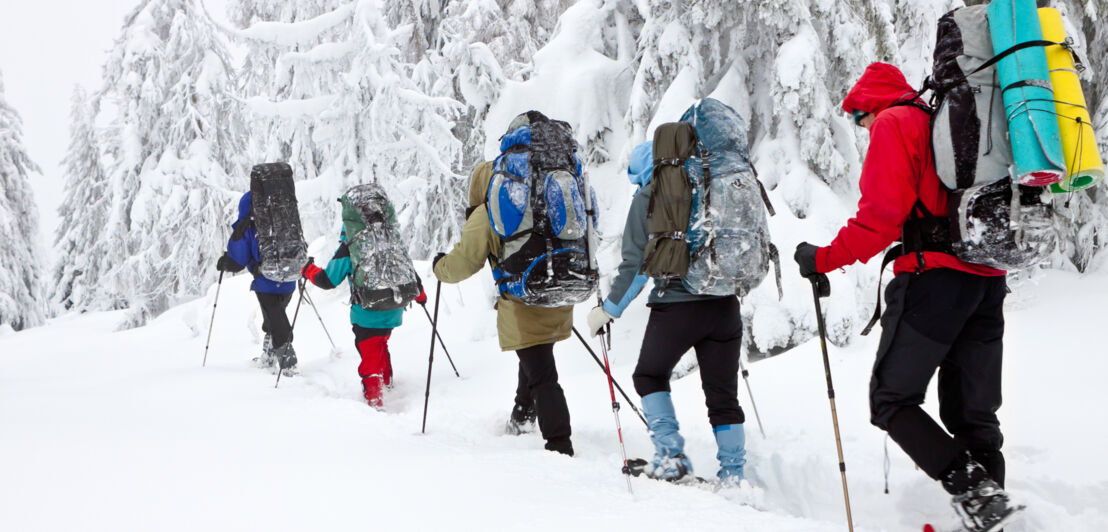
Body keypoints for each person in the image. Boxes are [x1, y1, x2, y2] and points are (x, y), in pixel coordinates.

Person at [793, 62, 1019, 529]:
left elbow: (880, 219)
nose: (860, 127)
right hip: (987, 279)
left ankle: (975, 494)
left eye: (858, 118)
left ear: (869, 105)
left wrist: (822, 259)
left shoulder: (896, 123)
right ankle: (991, 516)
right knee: (973, 415)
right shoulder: (946, 120)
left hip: (933, 281)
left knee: (891, 399)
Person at [586, 140, 747, 485]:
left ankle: (671, 457)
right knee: (723, 396)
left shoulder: (648, 198)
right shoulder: (709, 185)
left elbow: (635, 266)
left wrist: (608, 310)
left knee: (649, 376)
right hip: (725, 305)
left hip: (677, 308)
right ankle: (734, 474)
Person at [432, 136, 575, 457]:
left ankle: (559, 444)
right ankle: (522, 417)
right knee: (536, 359)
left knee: (542, 373)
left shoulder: (490, 210)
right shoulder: (534, 204)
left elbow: (465, 261)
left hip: (524, 302)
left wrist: (439, 267)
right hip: (556, 293)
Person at [301, 193, 426, 409]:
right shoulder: (390, 240)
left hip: (367, 313)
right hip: (394, 308)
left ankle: (375, 402)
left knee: (369, 355)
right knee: (381, 344)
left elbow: (328, 280)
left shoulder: (350, 246)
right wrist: (421, 297)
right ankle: (388, 384)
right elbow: (410, 273)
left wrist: (307, 269)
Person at [216, 191, 298, 372]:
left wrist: (225, 263)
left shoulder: (249, 227)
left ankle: (289, 363)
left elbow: (238, 260)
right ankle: (269, 356)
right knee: (274, 316)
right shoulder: (284, 221)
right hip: (289, 278)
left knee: (276, 318)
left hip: (265, 281)